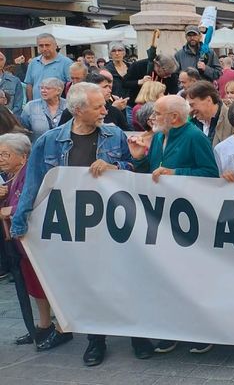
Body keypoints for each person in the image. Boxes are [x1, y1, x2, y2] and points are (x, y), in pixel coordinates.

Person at [11, 83, 151, 365]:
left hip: (115, 223)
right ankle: (96, 340)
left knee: (127, 277)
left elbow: (132, 170)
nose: (105, 110)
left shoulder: (114, 135)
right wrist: (20, 220)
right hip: (75, 227)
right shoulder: (49, 142)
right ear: (77, 110)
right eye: (98, 106)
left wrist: (118, 167)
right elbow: (34, 184)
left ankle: (139, 335)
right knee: (90, 283)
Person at [127, 94, 218, 355]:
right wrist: (139, 159)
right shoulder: (158, 136)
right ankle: (174, 330)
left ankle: (201, 331)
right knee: (168, 277)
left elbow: (210, 173)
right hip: (162, 217)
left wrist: (176, 174)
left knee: (192, 277)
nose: (151, 117)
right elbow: (152, 172)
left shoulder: (195, 137)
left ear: (174, 118)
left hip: (189, 218)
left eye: (157, 113)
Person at [0, 132, 72, 353]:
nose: (1, 158)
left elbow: (40, 202)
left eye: (5, 154)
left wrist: (11, 209)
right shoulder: (9, 177)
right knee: (33, 284)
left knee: (50, 284)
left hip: (38, 242)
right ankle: (42, 325)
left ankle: (63, 326)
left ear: (23, 158)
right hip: (20, 245)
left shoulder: (31, 175)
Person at [23, 33, 73, 101]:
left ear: (55, 45)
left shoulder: (66, 63)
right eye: (41, 46)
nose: (44, 48)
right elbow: (29, 85)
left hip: (58, 107)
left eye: (47, 45)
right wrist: (31, 103)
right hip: (36, 107)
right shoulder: (33, 63)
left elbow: (71, 85)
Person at [186, 81, 234, 147]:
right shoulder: (191, 123)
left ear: (208, 100)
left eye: (192, 105)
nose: (190, 110)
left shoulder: (232, 122)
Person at [20, 77, 66, 142]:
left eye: (48, 88)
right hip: (38, 149)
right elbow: (23, 129)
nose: (43, 91)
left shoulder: (68, 106)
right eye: (41, 88)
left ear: (58, 91)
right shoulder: (31, 106)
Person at [0, 51, 24, 116]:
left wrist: (9, 118)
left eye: (1, 59)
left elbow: (18, 105)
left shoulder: (15, 81)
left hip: (9, 121)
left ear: (4, 61)